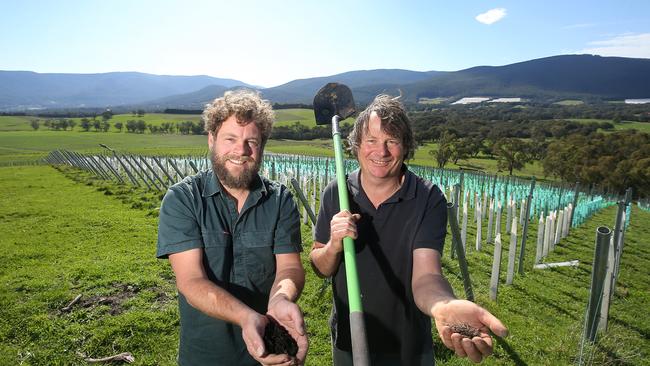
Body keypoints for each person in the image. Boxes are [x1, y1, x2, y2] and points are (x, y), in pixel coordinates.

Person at [310, 95, 508, 365]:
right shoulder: (337, 192)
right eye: (371, 141)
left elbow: (427, 275)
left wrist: (442, 306)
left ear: (405, 147)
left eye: (391, 141)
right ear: (356, 145)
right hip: (350, 338)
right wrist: (333, 245)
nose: (381, 152)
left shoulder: (427, 198)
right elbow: (320, 266)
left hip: (408, 346)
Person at [157, 90, 308, 366]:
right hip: (206, 356)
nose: (241, 150)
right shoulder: (183, 199)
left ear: (262, 145)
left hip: (273, 349)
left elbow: (289, 268)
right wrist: (246, 317)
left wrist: (281, 299)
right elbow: (191, 281)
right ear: (212, 140)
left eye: (251, 141)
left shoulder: (280, 200)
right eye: (231, 139)